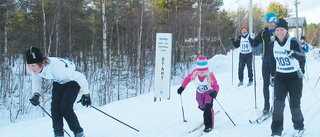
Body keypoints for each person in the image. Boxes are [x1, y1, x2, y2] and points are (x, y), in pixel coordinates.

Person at [27, 46, 91, 137]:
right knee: (55, 108)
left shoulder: (56, 68)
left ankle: (79, 133)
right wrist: (36, 95)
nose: (31, 69)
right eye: (29, 66)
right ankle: (58, 134)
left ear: (42, 62)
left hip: (73, 81)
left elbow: (79, 77)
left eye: (33, 65)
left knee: (65, 107)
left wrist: (86, 94)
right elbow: (36, 81)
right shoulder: (36, 70)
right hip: (59, 81)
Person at [270, 18, 305, 137]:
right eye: (277, 30)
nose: (279, 32)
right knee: (278, 106)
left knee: (294, 106)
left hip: (294, 77)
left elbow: (302, 56)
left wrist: (293, 53)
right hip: (280, 77)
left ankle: (299, 127)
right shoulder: (272, 43)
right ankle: (276, 131)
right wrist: (272, 75)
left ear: (286, 30)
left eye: (282, 30)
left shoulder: (293, 41)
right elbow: (272, 61)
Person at [177, 56, 220, 133]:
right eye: (199, 72)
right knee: (202, 107)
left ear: (206, 71)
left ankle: (208, 126)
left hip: (208, 94)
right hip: (199, 94)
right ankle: (209, 111)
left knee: (207, 109)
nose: (201, 74)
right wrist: (182, 87)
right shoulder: (195, 74)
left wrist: (215, 92)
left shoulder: (210, 76)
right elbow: (187, 79)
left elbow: (216, 86)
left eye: (203, 72)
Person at [253, 12, 277, 114]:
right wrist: (251, 37)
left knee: (277, 85)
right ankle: (266, 106)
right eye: (268, 22)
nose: (270, 24)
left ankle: (276, 105)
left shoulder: (279, 31)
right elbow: (254, 43)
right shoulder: (263, 33)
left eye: (272, 22)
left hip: (276, 63)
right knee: (265, 84)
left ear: (275, 22)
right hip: (266, 62)